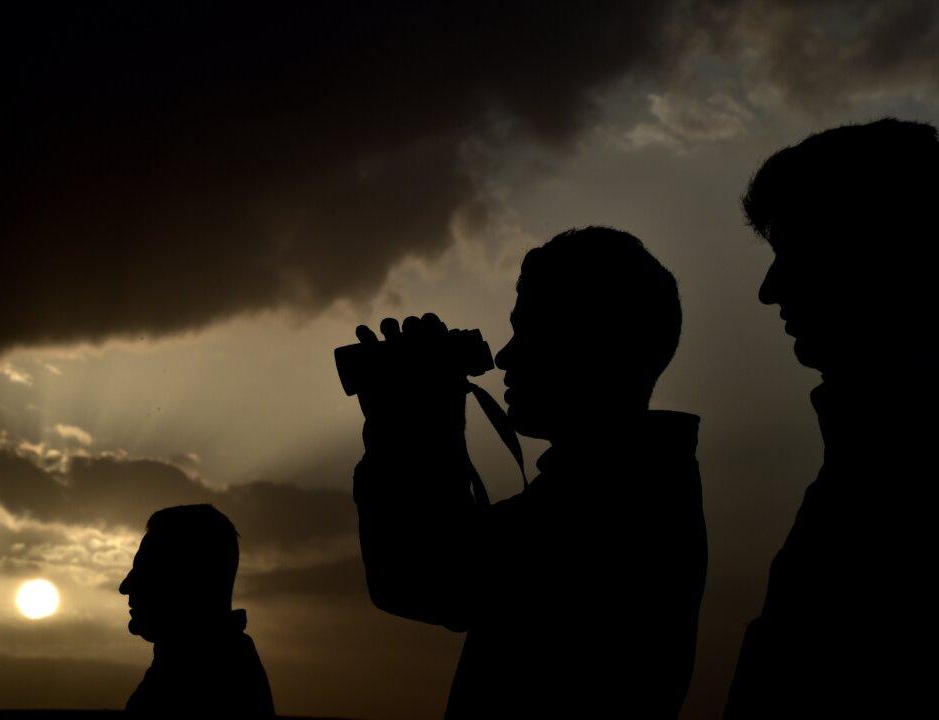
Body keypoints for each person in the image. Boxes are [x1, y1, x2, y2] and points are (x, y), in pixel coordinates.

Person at [351, 227, 707, 718]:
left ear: (591, 343)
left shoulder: (603, 503)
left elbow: (422, 578)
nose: (504, 356)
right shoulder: (636, 483)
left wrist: (407, 425)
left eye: (530, 330)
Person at [725, 118, 939, 718]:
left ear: (876, 250)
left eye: (794, 252)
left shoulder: (891, 475)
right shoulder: (865, 457)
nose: (769, 291)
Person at [119, 504, 275, 717]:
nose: (125, 586)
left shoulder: (196, 677)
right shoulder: (216, 665)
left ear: (187, 581)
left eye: (146, 571)